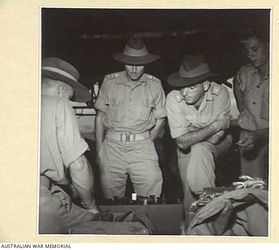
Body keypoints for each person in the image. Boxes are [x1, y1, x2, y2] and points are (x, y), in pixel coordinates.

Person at [94, 37, 166, 200]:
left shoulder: (154, 84)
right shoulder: (109, 81)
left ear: (146, 63)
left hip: (142, 149)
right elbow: (100, 117)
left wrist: (147, 140)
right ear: (122, 62)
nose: (134, 69)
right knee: (111, 201)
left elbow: (161, 118)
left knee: (151, 196)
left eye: (139, 64)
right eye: (129, 63)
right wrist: (99, 150)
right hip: (112, 147)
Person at [166, 55, 232, 214]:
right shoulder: (173, 99)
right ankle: (194, 229)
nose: (184, 93)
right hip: (186, 149)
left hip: (219, 145)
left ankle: (209, 209)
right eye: (182, 87)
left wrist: (191, 134)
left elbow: (216, 139)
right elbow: (181, 143)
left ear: (206, 85)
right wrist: (216, 125)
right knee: (189, 197)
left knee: (199, 148)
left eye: (191, 87)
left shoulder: (220, 93)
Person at [40, 57, 98, 234]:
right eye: (70, 97)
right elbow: (78, 165)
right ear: (60, 91)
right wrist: (91, 206)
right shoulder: (58, 104)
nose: (69, 101)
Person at [233, 32, 269, 180]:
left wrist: (258, 135)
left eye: (255, 49)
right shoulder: (246, 73)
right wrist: (243, 111)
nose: (250, 55)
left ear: (269, 45)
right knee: (251, 191)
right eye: (247, 51)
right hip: (251, 143)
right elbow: (236, 81)